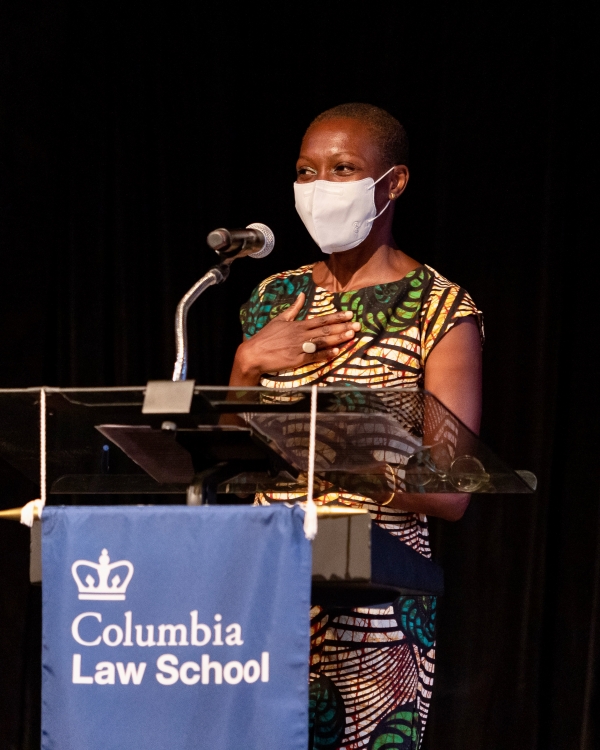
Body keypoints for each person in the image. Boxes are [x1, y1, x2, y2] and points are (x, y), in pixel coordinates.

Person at [229, 103, 483, 750]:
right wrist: (246, 363)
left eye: (342, 169)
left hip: (374, 604)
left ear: (392, 184)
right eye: (305, 171)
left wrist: (329, 452)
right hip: (265, 583)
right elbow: (229, 454)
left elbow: (450, 489)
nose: (319, 187)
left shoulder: (440, 308)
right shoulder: (273, 297)